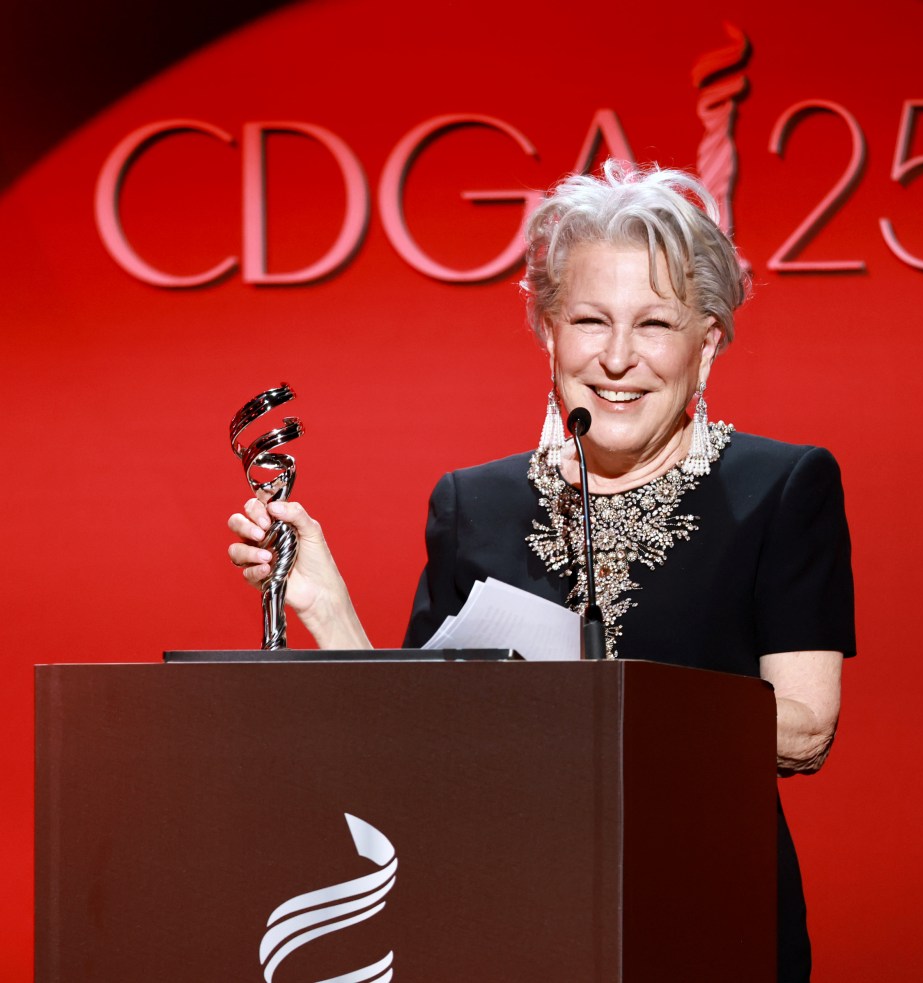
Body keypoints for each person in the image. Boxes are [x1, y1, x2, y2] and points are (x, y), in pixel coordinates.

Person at [228, 161, 855, 981]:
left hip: (709, 912)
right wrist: (331, 611)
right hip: (505, 917)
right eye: (591, 320)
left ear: (706, 347)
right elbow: (418, 748)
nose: (619, 358)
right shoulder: (473, 502)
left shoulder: (781, 486)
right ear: (548, 332)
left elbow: (805, 729)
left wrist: (594, 705)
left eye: (656, 325)